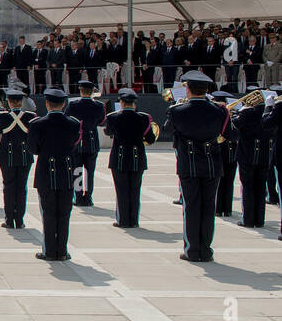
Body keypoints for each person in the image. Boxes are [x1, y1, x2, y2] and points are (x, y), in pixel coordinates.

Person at [164, 71, 237, 262]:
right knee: (208, 207)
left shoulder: (177, 110)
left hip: (189, 165)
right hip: (212, 164)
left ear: (188, 90)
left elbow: (167, 129)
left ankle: (192, 249)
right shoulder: (220, 111)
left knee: (191, 207)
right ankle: (206, 249)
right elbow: (231, 135)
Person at [28, 89, 81, 261]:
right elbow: (74, 144)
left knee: (48, 213)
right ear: (64, 104)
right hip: (66, 171)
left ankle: (49, 251)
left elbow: (32, 149)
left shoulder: (37, 124)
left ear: (47, 104)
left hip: (46, 172)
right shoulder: (73, 123)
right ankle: (62, 251)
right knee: (64, 213)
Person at [102, 88, 159, 228]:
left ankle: (123, 220)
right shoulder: (144, 118)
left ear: (121, 102)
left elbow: (108, 131)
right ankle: (134, 220)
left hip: (119, 157)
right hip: (136, 157)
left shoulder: (113, 117)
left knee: (121, 190)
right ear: (134, 103)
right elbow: (150, 139)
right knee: (135, 190)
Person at [234, 93, 278, 226]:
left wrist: (238, 112)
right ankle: (259, 220)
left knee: (247, 187)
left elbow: (235, 124)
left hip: (247, 155)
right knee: (260, 188)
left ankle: (247, 219)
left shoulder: (247, 113)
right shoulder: (268, 113)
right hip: (265, 156)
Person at [0, 88, 34, 229]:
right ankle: (20, 219)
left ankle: (9, 219)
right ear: (21, 102)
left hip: (7, 155)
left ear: (9, 102)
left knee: (9, 187)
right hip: (24, 155)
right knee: (22, 187)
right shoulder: (30, 116)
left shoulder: (3, 117)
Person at [65, 80, 106, 207]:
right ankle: (88, 198)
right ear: (92, 91)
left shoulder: (73, 105)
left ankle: (78, 197)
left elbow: (67, 119)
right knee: (90, 171)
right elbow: (101, 122)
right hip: (92, 141)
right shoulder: (99, 106)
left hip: (77, 141)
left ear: (80, 91)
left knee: (77, 170)